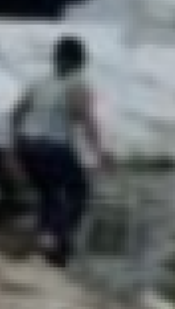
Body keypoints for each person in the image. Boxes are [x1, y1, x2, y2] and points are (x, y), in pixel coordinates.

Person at [12, 36, 111, 267]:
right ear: (79, 62)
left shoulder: (39, 81)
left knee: (49, 194)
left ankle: (45, 240)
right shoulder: (77, 83)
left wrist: (15, 149)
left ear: (56, 57)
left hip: (28, 146)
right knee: (79, 192)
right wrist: (100, 152)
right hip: (52, 148)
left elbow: (16, 114)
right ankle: (54, 240)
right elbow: (84, 119)